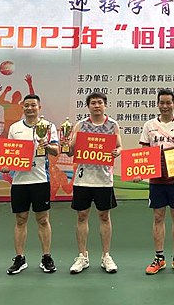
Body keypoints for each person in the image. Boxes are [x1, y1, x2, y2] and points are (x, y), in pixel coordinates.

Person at [139, 88, 174, 275]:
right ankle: (159, 258)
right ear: (157, 104)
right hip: (156, 179)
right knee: (158, 216)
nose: (165, 106)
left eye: (168, 102)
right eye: (162, 102)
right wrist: (139, 170)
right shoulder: (149, 125)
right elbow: (144, 152)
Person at [68, 92, 122, 274]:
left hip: (104, 179)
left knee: (104, 216)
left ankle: (106, 256)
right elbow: (70, 151)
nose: (96, 105)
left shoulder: (112, 125)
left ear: (105, 105)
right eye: (93, 103)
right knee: (81, 216)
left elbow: (119, 146)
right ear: (88, 106)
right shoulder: (80, 125)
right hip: (83, 179)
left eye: (100, 102)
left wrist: (117, 152)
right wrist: (69, 143)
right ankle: (82, 256)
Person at [5, 94, 59, 275]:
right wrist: (5, 165)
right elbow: (9, 153)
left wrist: (46, 144)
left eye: (33, 105)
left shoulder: (48, 126)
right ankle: (19, 258)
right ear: (23, 107)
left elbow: (56, 150)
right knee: (20, 219)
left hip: (40, 180)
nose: (30, 108)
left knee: (43, 219)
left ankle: (46, 257)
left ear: (39, 108)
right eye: (26, 105)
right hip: (19, 181)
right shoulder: (15, 128)